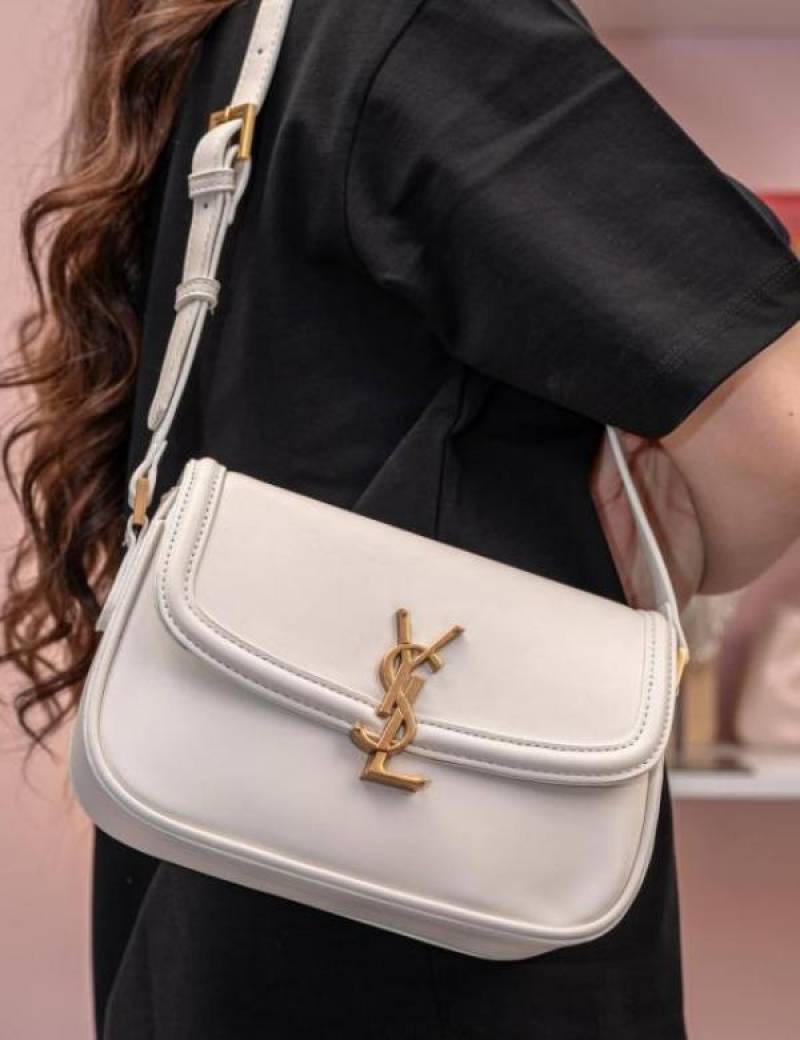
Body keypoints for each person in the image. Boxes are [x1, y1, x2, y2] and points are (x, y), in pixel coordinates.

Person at [3, 1, 799, 1037]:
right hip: (454, 923)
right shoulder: (430, 24)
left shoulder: (245, 43)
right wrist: (667, 552)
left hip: (221, 902)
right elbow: (779, 428)